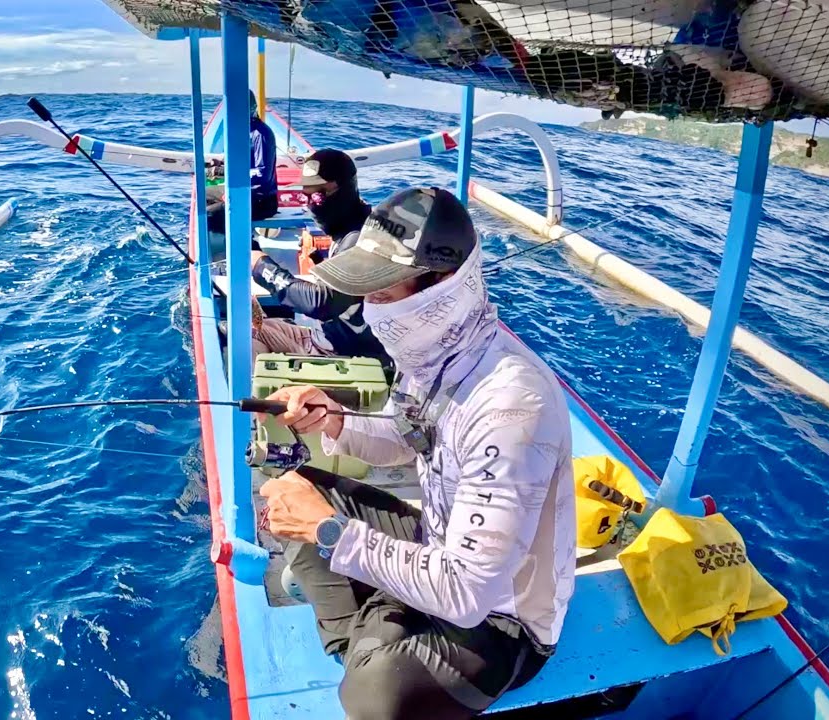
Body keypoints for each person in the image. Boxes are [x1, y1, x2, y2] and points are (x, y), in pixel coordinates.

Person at [256, 187, 576, 719]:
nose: (370, 310)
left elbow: (469, 595)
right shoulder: (433, 356)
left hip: (504, 618)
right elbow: (406, 436)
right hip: (438, 542)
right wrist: (334, 419)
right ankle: (367, 637)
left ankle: (372, 637)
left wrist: (331, 532)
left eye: (382, 292)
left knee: (374, 696)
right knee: (290, 492)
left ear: (441, 285)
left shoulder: (512, 405)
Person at [248, 149, 387, 366]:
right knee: (246, 328)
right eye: (306, 196)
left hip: (343, 355)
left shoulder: (362, 238)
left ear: (346, 190)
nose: (311, 204)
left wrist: (261, 267)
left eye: (320, 195)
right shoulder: (350, 226)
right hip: (328, 338)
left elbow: (321, 303)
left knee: (246, 337)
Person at [206, 90, 278, 240]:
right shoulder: (244, 131)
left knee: (208, 215)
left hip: (261, 201)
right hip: (245, 194)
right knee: (204, 195)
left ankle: (248, 245)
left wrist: (225, 172)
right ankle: (229, 236)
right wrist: (222, 165)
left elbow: (261, 174)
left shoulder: (260, 134)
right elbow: (243, 163)